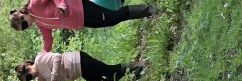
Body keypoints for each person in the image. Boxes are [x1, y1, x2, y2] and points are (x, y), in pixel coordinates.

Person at [9, 0, 156, 55]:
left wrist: (61, 4)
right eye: (25, 28)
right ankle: (148, 11)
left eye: (24, 24)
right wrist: (42, 55)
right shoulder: (39, 23)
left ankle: (150, 10)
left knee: (112, 17)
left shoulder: (34, 4)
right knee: (111, 19)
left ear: (21, 15)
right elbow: (47, 40)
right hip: (81, 20)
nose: (27, 26)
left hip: (79, 8)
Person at [17, 51, 143, 81]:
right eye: (29, 79)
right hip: (80, 70)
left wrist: (54, 76)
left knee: (107, 70)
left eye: (29, 74)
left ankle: (134, 67)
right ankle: (131, 69)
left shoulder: (39, 60)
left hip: (78, 61)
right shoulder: (41, 76)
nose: (31, 77)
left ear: (28, 66)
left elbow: (57, 57)